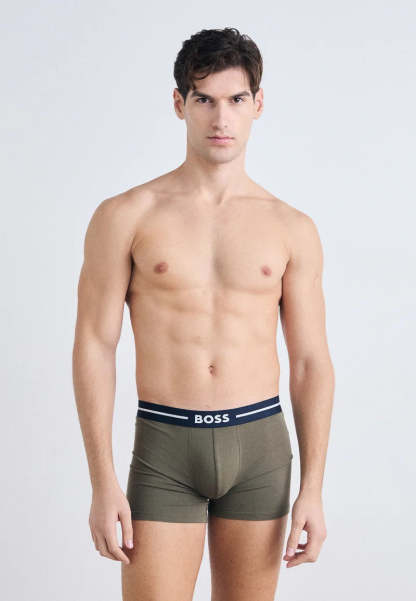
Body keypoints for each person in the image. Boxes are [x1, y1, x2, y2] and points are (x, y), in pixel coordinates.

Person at [72, 27, 335, 601]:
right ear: (179, 104)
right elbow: (94, 343)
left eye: (236, 99)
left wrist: (313, 487)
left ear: (258, 104)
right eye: (204, 99)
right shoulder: (126, 216)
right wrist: (102, 481)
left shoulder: (291, 227)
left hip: (260, 449)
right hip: (166, 447)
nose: (221, 118)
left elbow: (310, 362)